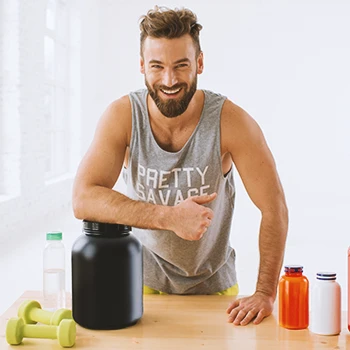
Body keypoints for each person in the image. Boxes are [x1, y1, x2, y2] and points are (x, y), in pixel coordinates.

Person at [72, 6, 288, 326]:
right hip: (140, 282)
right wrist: (170, 217)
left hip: (215, 288)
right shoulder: (122, 117)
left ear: (199, 63)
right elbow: (83, 198)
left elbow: (275, 209)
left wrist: (265, 293)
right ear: (143, 66)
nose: (169, 80)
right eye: (157, 66)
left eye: (181, 65)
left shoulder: (232, 122)